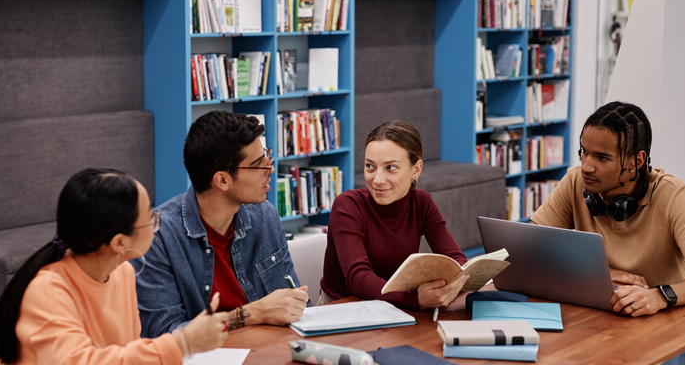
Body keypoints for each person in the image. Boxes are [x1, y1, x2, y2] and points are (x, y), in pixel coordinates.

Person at [533, 101, 685, 365]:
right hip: (597, 323)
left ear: (636, 161)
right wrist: (606, 274)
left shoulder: (674, 196)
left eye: (602, 157)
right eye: (583, 152)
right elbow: (534, 248)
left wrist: (659, 295)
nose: (586, 166)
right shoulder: (576, 182)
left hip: (664, 331)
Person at [0, 169, 229, 365]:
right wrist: (183, 343)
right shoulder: (47, 290)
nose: (158, 221)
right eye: (150, 218)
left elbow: (126, 356)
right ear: (120, 242)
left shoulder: (122, 273)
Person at [133, 111, 308, 338]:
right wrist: (249, 315)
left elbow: (295, 303)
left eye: (267, 156)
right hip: (204, 357)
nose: (270, 169)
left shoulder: (264, 215)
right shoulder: (157, 237)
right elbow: (163, 334)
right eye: (258, 164)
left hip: (269, 348)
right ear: (222, 180)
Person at [320, 120, 469, 310]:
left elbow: (455, 259)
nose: (378, 179)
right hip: (342, 308)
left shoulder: (422, 204)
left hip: (395, 306)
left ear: (416, 170)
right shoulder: (348, 205)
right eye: (370, 166)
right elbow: (358, 278)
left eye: (390, 168)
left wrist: (455, 282)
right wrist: (415, 300)